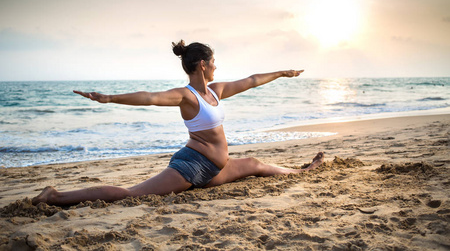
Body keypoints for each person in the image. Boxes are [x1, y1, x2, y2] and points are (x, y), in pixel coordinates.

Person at [32, 40, 324, 206]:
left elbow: (250, 81)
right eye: (213, 62)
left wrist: (281, 73)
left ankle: (302, 170)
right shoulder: (187, 96)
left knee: (255, 164)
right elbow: (149, 97)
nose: (216, 67)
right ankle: (54, 196)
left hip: (213, 169)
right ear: (202, 65)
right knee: (132, 194)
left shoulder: (216, 90)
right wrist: (109, 98)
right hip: (192, 166)